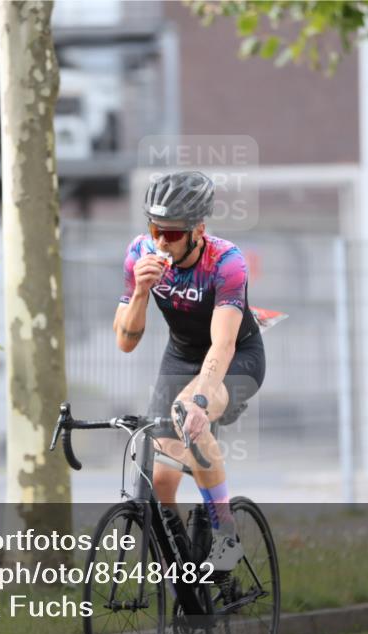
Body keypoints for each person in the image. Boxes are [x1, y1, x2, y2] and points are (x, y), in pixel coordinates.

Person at [113, 170, 266, 575]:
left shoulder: (226, 262)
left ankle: (226, 533)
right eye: (155, 229)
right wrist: (142, 292)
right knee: (160, 479)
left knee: (188, 416)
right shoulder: (139, 253)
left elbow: (223, 343)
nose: (162, 241)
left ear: (199, 229)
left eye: (173, 234)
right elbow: (125, 342)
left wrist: (200, 399)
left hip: (235, 357)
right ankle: (185, 587)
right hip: (180, 357)